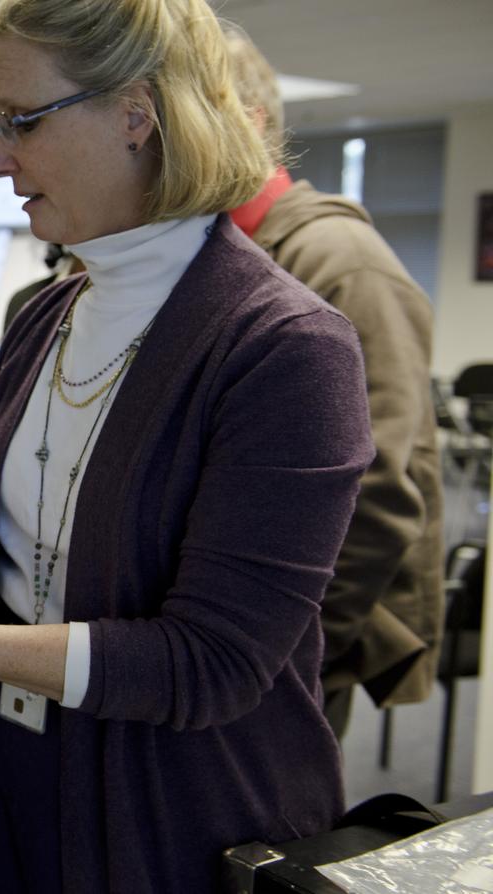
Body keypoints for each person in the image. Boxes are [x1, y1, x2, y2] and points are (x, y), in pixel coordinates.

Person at [0, 1, 375, 891]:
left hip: (167, 814)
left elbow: (210, 663)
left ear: (136, 113)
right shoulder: (47, 316)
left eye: (22, 122)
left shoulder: (285, 350)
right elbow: (25, 566)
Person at [224, 24, 445, 739]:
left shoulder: (341, 263)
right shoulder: (218, 257)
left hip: (289, 647)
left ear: (247, 122)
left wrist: (288, 652)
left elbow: (377, 490)